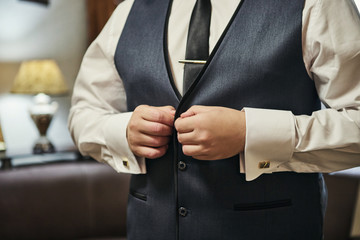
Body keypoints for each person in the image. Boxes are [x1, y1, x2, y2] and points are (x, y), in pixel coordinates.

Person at [68, 0, 360, 239]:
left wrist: (250, 134)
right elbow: (83, 114)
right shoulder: (128, 11)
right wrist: (123, 131)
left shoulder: (318, 4)